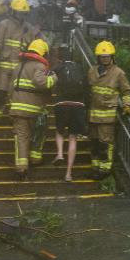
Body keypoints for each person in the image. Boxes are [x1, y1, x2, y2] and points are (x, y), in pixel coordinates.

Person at [9, 39, 56, 181]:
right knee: (39, 133)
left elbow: (11, 89)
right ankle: (35, 159)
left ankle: (21, 168)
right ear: (43, 52)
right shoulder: (40, 66)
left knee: (21, 138)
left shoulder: (18, 67)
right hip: (34, 109)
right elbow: (40, 82)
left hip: (17, 108)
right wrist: (54, 78)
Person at [0, 0, 41, 120]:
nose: (21, 16)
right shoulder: (4, 24)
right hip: (5, 65)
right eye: (19, 13)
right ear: (13, 11)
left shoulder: (27, 27)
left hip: (19, 66)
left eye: (23, 13)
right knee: (1, 93)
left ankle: (14, 118)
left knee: (16, 94)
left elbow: (33, 44)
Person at [88, 40, 130, 179]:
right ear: (98, 57)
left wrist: (127, 105)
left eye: (107, 56)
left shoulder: (118, 73)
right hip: (93, 115)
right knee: (94, 143)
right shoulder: (92, 71)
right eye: (102, 56)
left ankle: (105, 170)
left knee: (105, 143)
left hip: (107, 115)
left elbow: (126, 91)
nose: (105, 58)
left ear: (112, 56)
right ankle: (95, 167)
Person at [52, 54, 88, 182]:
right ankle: (68, 173)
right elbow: (86, 86)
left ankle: (60, 154)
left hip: (62, 103)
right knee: (73, 137)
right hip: (78, 105)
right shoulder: (80, 68)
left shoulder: (58, 67)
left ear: (61, 58)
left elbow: (51, 82)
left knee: (59, 131)